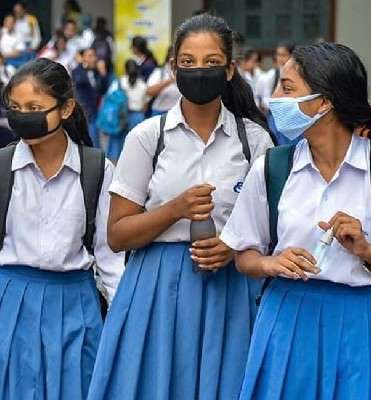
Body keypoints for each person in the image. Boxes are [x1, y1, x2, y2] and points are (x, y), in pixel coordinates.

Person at [220, 42, 371, 400]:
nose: (274, 99)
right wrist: (271, 263)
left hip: (370, 323)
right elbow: (244, 255)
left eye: (287, 88)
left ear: (325, 101)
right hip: (287, 319)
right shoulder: (271, 169)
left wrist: (370, 252)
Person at [87, 14, 273, 400]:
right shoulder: (147, 137)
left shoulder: (253, 141)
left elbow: (270, 231)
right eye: (187, 62)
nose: (198, 71)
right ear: (173, 69)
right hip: (157, 287)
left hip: (231, 288)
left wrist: (234, 245)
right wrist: (174, 209)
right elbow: (117, 235)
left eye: (210, 62)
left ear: (229, 70)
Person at [0, 57, 124, 399]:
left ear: (66, 109)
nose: (24, 115)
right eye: (16, 107)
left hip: (76, 310)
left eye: (35, 107)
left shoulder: (97, 171)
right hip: (5, 305)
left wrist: (125, 326)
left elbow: (111, 261)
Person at [106, 59, 149, 161]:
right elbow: (145, 105)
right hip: (138, 117)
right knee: (136, 148)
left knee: (117, 145)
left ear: (125, 70)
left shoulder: (119, 82)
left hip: (120, 116)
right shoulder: (143, 85)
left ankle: (114, 171)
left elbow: (110, 97)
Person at [255, 42, 295, 144]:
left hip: (292, 117)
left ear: (291, 56)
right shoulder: (270, 76)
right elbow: (262, 97)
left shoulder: (298, 75)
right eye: (278, 55)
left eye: (283, 55)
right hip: (274, 117)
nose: (280, 58)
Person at [72, 47, 110, 147]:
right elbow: (79, 80)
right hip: (84, 111)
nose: (93, 59)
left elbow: (103, 89)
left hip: (96, 110)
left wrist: (103, 73)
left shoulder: (96, 72)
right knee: (92, 140)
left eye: (94, 56)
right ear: (83, 58)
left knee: (96, 139)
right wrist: (82, 64)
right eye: (89, 56)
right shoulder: (78, 70)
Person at [146, 45, 179, 117]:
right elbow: (149, 92)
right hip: (160, 113)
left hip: (179, 113)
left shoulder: (185, 71)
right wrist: (170, 80)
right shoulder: (160, 71)